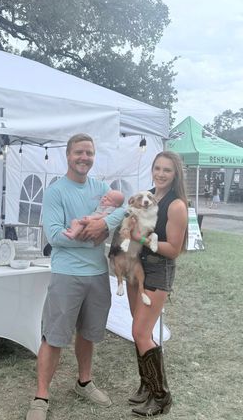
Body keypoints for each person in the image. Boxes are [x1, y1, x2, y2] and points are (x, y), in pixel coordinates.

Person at [26, 133, 125, 420]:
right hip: (67, 274)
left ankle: (84, 382)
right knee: (55, 336)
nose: (84, 158)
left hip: (97, 274)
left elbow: (118, 217)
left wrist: (103, 227)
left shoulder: (102, 188)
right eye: (79, 152)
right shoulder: (56, 191)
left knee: (88, 333)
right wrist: (91, 235)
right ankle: (41, 396)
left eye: (89, 153)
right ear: (68, 155)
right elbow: (55, 236)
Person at [126, 151, 188, 417]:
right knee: (141, 331)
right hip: (135, 267)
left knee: (141, 333)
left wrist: (139, 238)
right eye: (158, 168)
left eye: (167, 170)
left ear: (176, 175)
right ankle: (147, 386)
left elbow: (173, 249)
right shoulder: (147, 195)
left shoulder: (176, 206)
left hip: (157, 271)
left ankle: (161, 397)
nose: (161, 174)